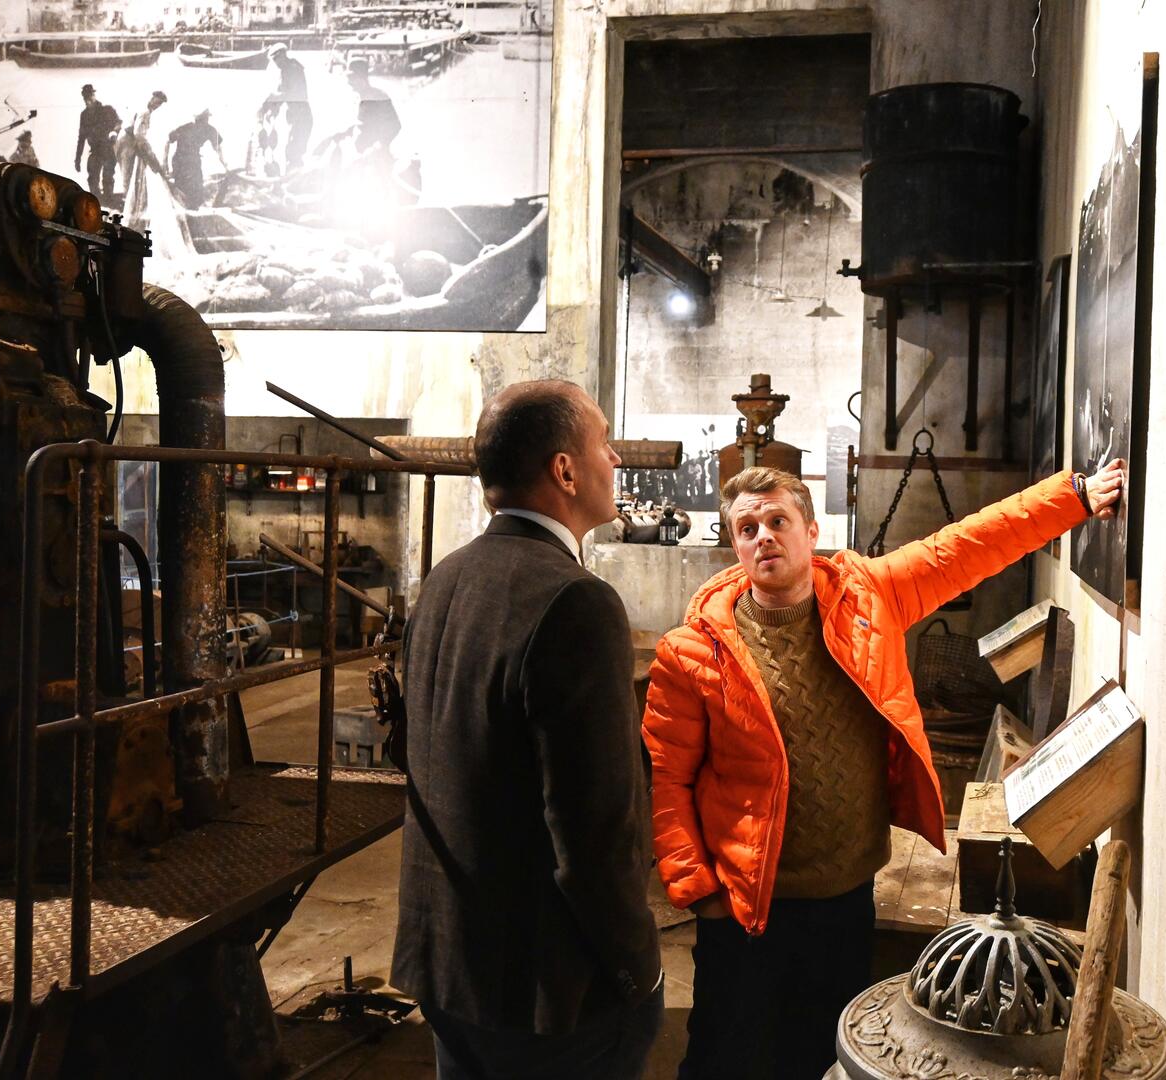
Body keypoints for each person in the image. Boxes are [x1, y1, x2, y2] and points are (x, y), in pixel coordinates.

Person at [644, 458, 1126, 1080]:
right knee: (725, 1058)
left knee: (826, 1055)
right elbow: (669, 783)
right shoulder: (691, 651)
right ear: (734, 545)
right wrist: (700, 895)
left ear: (810, 531)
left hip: (845, 896)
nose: (763, 536)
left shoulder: (868, 598)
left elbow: (963, 548)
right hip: (744, 907)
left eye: (777, 521)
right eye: (747, 528)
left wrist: (1074, 498)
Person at [392, 380, 663, 1080]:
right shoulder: (577, 602)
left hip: (450, 967)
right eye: (604, 442)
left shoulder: (444, 580)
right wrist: (637, 968)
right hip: (547, 994)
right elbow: (593, 830)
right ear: (565, 471)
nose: (615, 459)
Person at [260, 43, 312, 172]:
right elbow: (280, 94)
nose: (276, 63)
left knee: (294, 151)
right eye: (274, 60)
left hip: (302, 116)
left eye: (276, 59)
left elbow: (290, 94)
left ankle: (295, 178)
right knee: (292, 150)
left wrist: (270, 100)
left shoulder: (294, 69)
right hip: (295, 116)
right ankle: (293, 175)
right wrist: (271, 110)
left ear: (283, 55)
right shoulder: (285, 70)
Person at [117, 90, 167, 224]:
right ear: (152, 99)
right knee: (128, 175)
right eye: (157, 102)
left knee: (132, 175)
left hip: (128, 141)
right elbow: (139, 135)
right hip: (128, 143)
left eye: (160, 104)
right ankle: (128, 212)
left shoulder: (144, 110)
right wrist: (151, 157)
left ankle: (130, 208)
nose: (157, 106)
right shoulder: (144, 112)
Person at [165, 109, 224, 210]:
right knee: (189, 191)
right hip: (185, 161)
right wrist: (225, 164)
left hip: (184, 161)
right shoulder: (204, 129)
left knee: (189, 190)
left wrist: (165, 162)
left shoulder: (193, 128)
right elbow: (218, 149)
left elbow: (167, 141)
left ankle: (187, 211)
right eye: (205, 118)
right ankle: (187, 212)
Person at [73, 84, 120, 205]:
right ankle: (97, 202)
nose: (87, 100)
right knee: (92, 178)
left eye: (89, 96)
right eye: (85, 98)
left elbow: (118, 123)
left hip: (108, 149)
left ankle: (109, 201)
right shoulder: (84, 115)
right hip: (95, 151)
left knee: (108, 177)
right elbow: (81, 138)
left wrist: (114, 132)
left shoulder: (107, 110)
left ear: (94, 95)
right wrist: (77, 159)